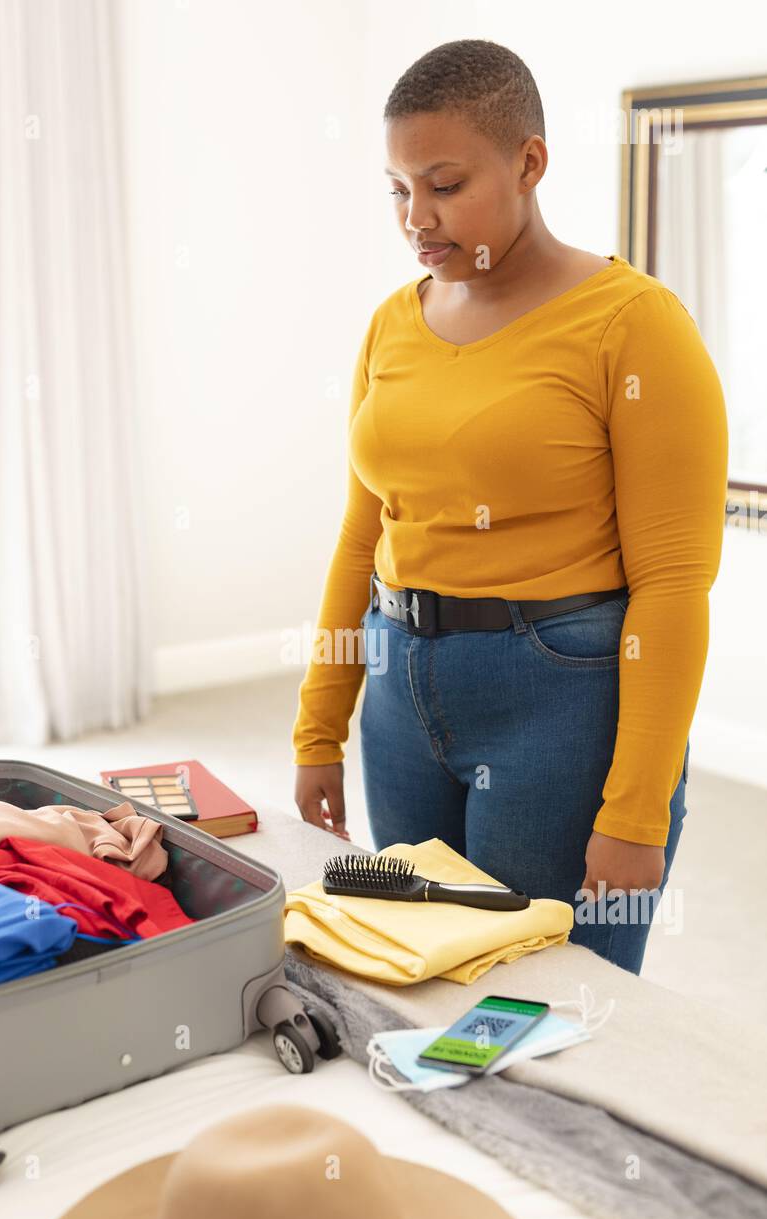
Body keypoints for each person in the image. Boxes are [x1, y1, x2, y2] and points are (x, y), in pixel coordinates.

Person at [292, 39, 728, 974]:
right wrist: (319, 725)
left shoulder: (633, 324)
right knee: (421, 974)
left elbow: (675, 585)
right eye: (398, 188)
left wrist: (637, 813)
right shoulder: (391, 321)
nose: (417, 217)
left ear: (529, 162)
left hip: (559, 698)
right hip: (400, 688)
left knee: (547, 1001)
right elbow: (362, 533)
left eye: (444, 184)